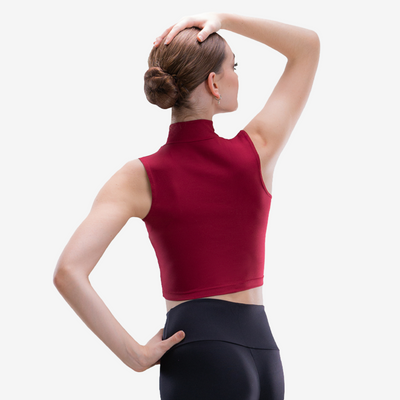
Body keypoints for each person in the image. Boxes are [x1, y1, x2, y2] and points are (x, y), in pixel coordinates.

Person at [54, 12, 319, 400]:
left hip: (200, 352)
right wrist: (223, 19)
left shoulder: (140, 176)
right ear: (213, 83)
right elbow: (308, 46)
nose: (237, 76)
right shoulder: (257, 150)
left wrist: (134, 355)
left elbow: (68, 272)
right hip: (265, 354)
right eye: (234, 67)